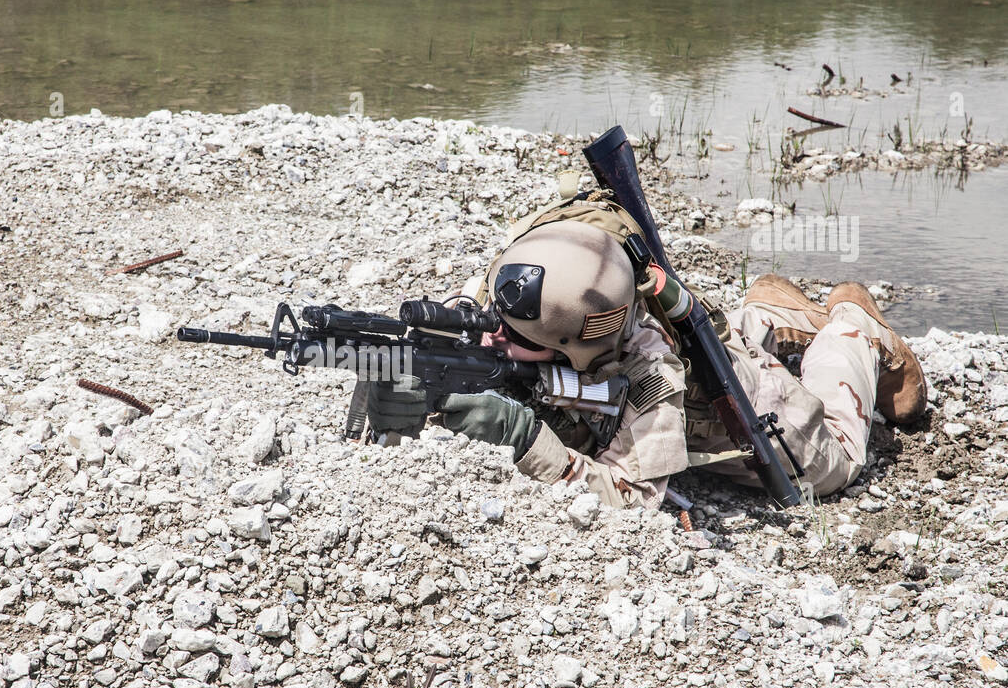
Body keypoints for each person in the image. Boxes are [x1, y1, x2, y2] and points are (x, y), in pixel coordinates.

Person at [366, 217, 926, 510]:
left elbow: (633, 498)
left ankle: (854, 324)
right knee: (739, 342)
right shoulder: (535, 288)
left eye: (519, 341)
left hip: (789, 427)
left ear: (576, 348)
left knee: (840, 454)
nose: (498, 338)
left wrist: (523, 437)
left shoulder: (652, 374)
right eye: (495, 321)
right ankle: (768, 310)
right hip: (721, 360)